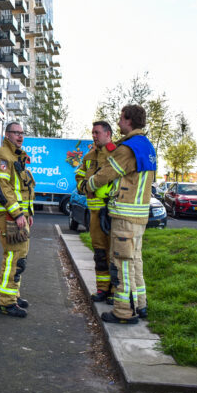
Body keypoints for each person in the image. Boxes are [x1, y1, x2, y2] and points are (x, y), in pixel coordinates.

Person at [86, 105, 156, 324]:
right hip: (140, 215)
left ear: (129, 120)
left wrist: (88, 184)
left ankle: (124, 312)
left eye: (120, 119)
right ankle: (140, 304)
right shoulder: (147, 146)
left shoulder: (127, 149)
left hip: (125, 216)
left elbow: (106, 174)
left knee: (122, 263)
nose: (118, 123)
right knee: (135, 260)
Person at [0, 122, 36, 318]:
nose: (20, 136)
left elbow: (25, 188)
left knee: (19, 256)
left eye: (22, 133)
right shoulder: (1, 156)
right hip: (9, 215)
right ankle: (6, 303)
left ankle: (10, 295)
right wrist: (17, 214)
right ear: (7, 135)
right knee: (15, 257)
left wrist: (28, 213)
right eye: (16, 133)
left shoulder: (16, 157)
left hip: (18, 216)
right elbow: (2, 188)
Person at [75, 121, 115, 303]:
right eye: (92, 133)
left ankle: (115, 291)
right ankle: (102, 289)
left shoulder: (117, 154)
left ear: (108, 134)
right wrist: (84, 186)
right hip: (94, 213)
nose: (94, 136)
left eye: (97, 133)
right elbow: (79, 175)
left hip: (113, 212)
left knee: (114, 254)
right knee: (99, 253)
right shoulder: (89, 156)